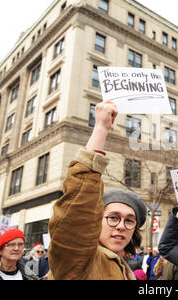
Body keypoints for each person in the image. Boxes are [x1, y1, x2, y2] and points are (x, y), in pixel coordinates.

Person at [48, 100, 147, 280]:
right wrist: (101, 128)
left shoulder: (123, 268)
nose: (121, 226)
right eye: (113, 217)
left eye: (130, 221)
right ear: (95, 221)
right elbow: (77, 214)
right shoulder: (80, 261)